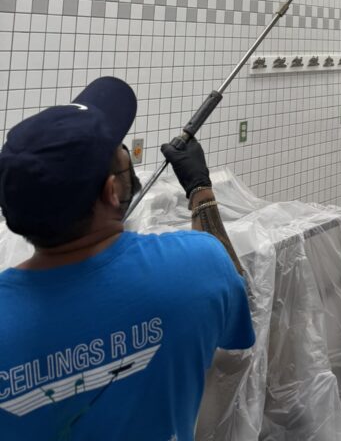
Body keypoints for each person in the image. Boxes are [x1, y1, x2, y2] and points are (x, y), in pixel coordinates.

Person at [0, 76, 255, 441]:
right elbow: (234, 294)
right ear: (110, 190)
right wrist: (200, 189)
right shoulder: (196, 266)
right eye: (119, 153)